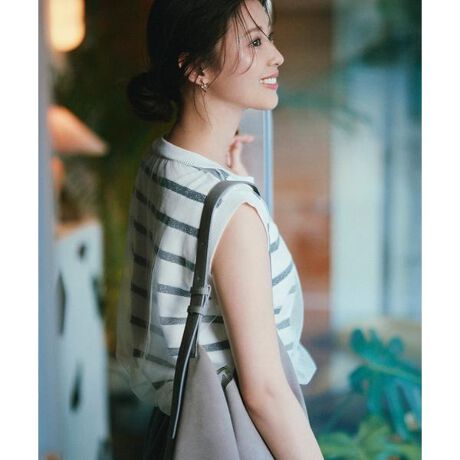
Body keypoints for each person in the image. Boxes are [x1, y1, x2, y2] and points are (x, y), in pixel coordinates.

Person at [116, 0, 324, 458]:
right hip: (234, 436)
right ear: (196, 68)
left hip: (176, 427)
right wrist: (234, 195)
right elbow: (265, 394)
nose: (276, 56)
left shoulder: (160, 163)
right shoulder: (232, 213)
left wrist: (232, 178)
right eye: (254, 41)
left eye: (268, 37)